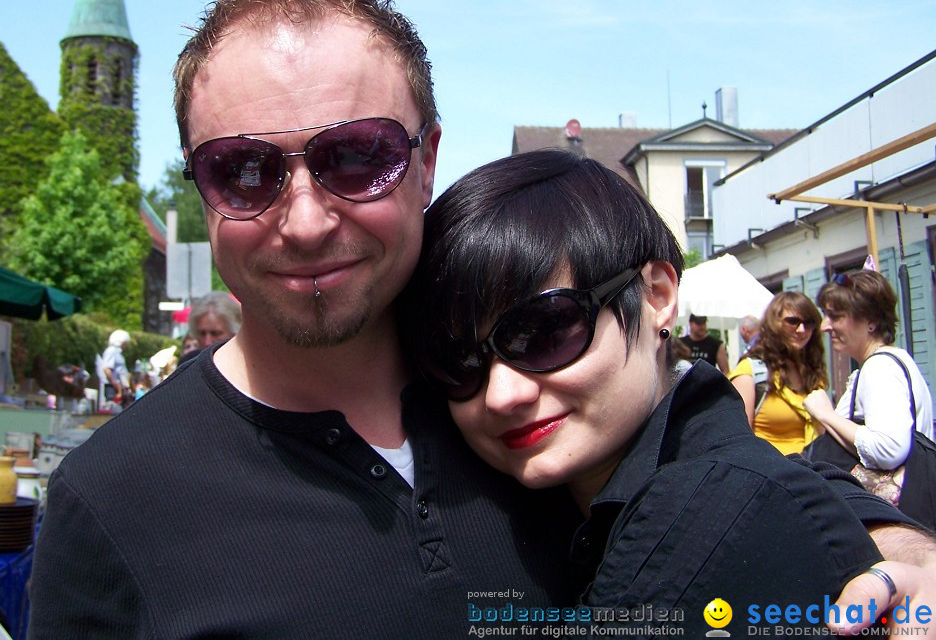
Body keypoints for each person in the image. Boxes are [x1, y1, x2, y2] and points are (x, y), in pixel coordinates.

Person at [29, 0, 936, 638]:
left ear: (425, 160)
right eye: (244, 170)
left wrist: (888, 544)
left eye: (356, 156)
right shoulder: (110, 502)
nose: (303, 220)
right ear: (199, 188)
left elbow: (689, 425)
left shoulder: (525, 383)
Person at [398, 150, 884, 633]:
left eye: (543, 332)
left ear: (657, 296)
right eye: (460, 361)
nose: (501, 394)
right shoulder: (570, 506)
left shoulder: (721, 525)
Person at [805, 270, 934, 469]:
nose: (824, 326)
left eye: (836, 316)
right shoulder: (889, 362)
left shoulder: (881, 368)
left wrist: (825, 414)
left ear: (871, 322)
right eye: (825, 315)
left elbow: (889, 449)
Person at [727, 292, 826, 452]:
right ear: (774, 323)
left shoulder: (811, 371)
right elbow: (738, 444)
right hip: (772, 473)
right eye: (793, 321)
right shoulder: (751, 371)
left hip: (815, 470)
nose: (802, 330)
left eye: (809, 323)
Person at [98, 329, 131, 410]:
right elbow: (107, 369)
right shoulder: (111, 351)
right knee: (113, 409)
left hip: (118, 387)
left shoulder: (117, 352)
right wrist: (115, 385)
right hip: (113, 388)